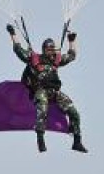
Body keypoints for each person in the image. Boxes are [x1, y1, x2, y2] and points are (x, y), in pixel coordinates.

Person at [6, 24, 86, 154]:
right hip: (41, 91)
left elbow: (72, 56)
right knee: (42, 110)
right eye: (49, 49)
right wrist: (13, 34)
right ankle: (40, 139)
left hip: (55, 92)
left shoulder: (56, 60)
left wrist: (71, 41)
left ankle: (77, 141)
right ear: (44, 49)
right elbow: (18, 50)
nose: (52, 51)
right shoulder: (34, 59)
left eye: (52, 49)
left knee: (74, 113)